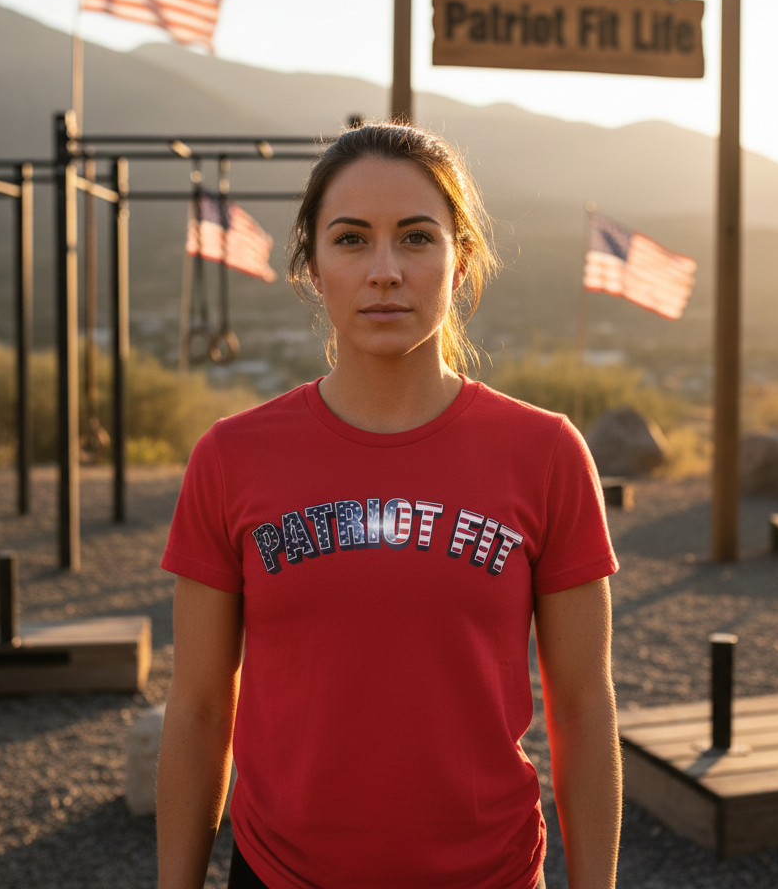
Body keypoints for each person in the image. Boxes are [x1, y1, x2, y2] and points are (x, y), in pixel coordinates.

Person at [157, 122, 621, 889]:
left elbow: (582, 709)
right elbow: (201, 708)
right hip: (281, 876)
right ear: (309, 267)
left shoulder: (545, 454)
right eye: (350, 240)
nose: (384, 271)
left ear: (460, 258)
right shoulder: (231, 458)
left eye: (415, 238)